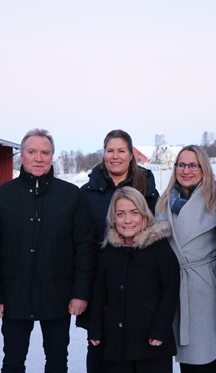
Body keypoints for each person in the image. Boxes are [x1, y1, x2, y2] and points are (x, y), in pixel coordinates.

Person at [0, 128, 95, 373]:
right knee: (12, 361)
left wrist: (80, 293)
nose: (39, 158)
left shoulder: (71, 196)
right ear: (22, 155)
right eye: (32, 152)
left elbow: (84, 248)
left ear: (52, 156)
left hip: (58, 295)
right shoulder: (0, 197)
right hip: (14, 296)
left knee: (57, 360)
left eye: (45, 152)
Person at [78, 129, 159, 373]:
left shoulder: (148, 189)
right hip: (101, 287)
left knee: (138, 354)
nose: (115, 156)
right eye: (110, 150)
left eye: (121, 150)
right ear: (103, 154)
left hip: (139, 285)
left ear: (130, 154)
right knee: (101, 354)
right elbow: (82, 244)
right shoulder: (87, 194)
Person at [155, 145, 216, 373]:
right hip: (171, 288)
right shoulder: (163, 203)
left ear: (203, 169)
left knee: (204, 359)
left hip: (203, 290)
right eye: (181, 164)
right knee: (174, 357)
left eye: (193, 165)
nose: (186, 170)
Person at [88, 186, 180, 373]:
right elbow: (99, 293)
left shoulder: (159, 248)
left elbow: (170, 292)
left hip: (151, 343)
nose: (127, 220)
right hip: (118, 342)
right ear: (113, 218)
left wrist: (160, 329)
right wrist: (95, 327)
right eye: (121, 214)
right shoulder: (109, 251)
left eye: (134, 213)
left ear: (144, 215)